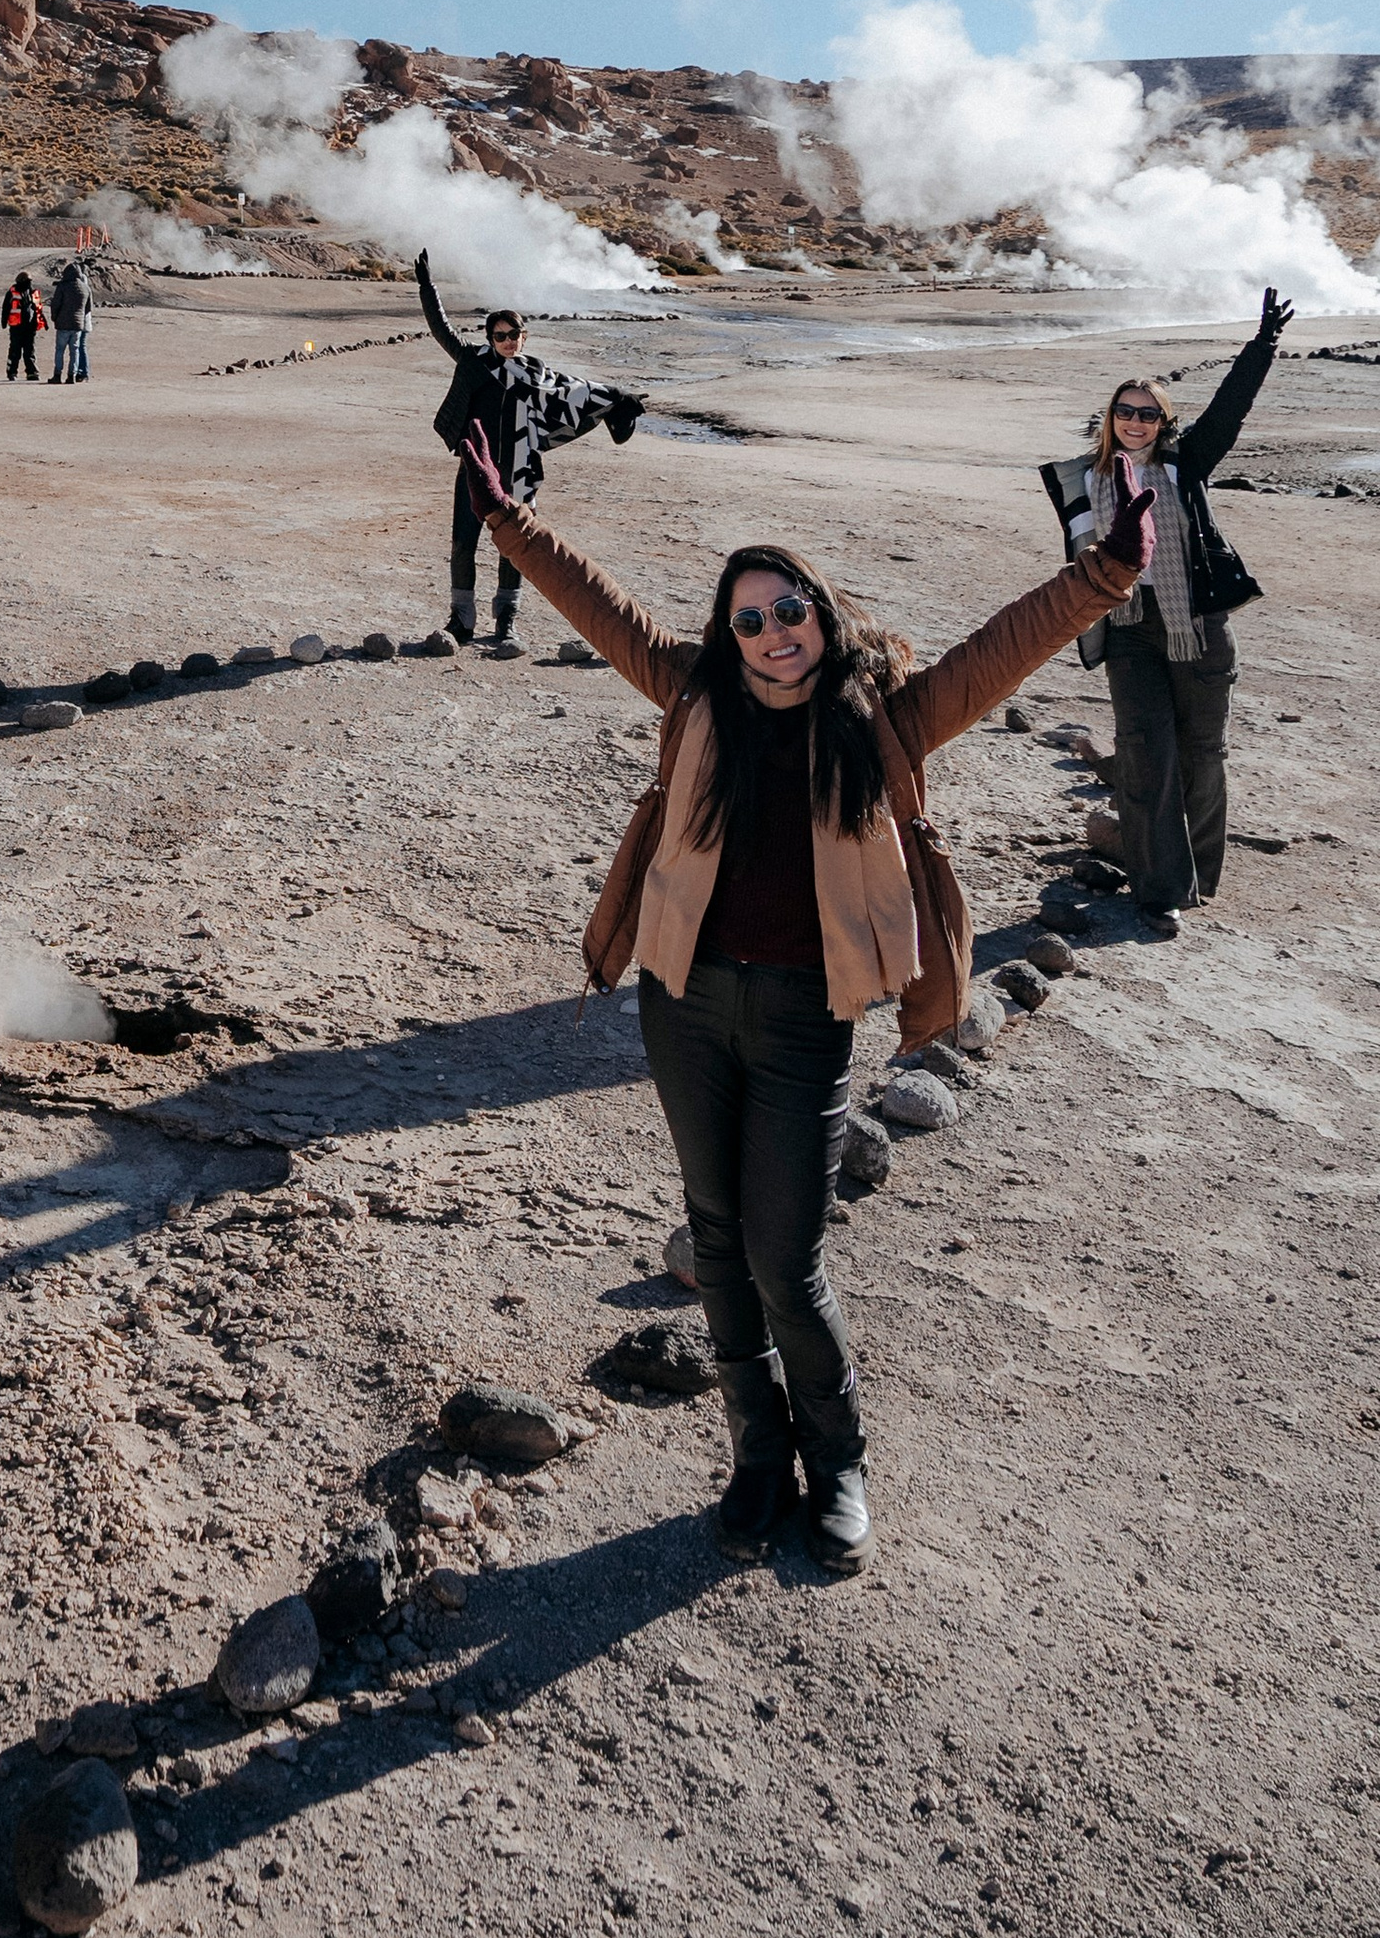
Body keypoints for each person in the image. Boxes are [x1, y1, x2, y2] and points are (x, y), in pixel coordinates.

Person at [458, 417, 1149, 1574]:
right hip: (684, 1006)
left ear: (819, 614)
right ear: (725, 637)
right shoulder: (693, 694)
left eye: (788, 610)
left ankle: (837, 1465)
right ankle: (755, 1455)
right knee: (717, 1242)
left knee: (786, 1257)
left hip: (801, 1020)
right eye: (748, 620)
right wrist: (505, 519)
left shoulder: (885, 719)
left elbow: (1003, 646)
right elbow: (599, 604)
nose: (773, 633)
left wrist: (1106, 571)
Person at [1039, 289, 1290, 941]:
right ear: (1110, 419)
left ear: (1163, 423)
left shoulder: (1185, 465)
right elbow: (1080, 560)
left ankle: (1198, 876)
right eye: (1125, 411)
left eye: (1147, 414)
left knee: (1203, 754)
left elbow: (1230, 409)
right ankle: (1161, 892)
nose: (1135, 421)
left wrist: (1262, 345)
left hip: (1196, 626)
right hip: (1128, 629)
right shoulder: (1085, 480)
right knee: (1145, 754)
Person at [415, 247, 641, 645]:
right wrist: (426, 287)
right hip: (475, 471)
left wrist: (618, 399)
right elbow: (440, 328)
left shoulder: (538, 377)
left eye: (513, 335)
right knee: (463, 544)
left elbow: (577, 392)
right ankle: (461, 620)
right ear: (490, 338)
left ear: (524, 336)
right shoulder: (473, 362)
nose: (507, 341)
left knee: (515, 548)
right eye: (499, 336)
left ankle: (506, 620)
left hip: (518, 472)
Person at [50, 250, 91, 385]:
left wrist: (55, 318)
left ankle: (57, 375)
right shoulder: (85, 288)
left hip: (63, 324)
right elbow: (88, 308)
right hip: (78, 325)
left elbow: (55, 304)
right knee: (75, 351)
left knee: (60, 350)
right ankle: (71, 376)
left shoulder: (62, 286)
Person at [2, 267, 47, 381]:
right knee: (15, 351)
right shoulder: (12, 292)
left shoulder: (33, 293)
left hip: (30, 327)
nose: (29, 283)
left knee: (29, 351)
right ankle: (12, 372)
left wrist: (44, 321)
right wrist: (4, 321)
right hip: (16, 326)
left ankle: (32, 372)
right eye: (27, 281)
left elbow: (38, 308)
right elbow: (6, 307)